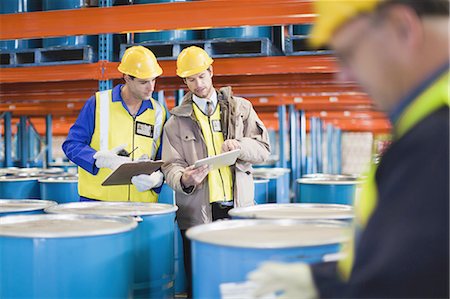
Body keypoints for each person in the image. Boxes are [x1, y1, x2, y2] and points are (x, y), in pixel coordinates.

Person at [248, 0, 449, 298]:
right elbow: (405, 264)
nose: (344, 76)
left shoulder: (435, 142)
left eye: (349, 54)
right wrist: (322, 281)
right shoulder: (428, 128)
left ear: (400, 27)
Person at [161, 46, 271, 296]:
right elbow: (170, 165)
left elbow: (263, 149)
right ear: (184, 81)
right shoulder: (175, 122)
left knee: (239, 281)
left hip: (237, 209)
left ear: (211, 71)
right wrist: (183, 179)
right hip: (197, 215)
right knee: (202, 283)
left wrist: (240, 145)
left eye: (201, 76)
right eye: (190, 79)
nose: (197, 84)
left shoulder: (241, 109)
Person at [63, 46, 167, 202]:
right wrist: (98, 159)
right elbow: (71, 145)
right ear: (126, 77)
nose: (151, 87)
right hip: (99, 205)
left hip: (142, 207)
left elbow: (164, 158)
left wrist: (157, 179)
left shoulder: (159, 112)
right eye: (143, 82)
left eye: (153, 80)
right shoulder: (98, 104)